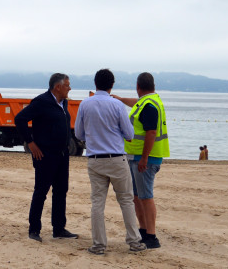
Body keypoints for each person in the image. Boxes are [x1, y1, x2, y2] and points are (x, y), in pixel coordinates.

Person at [74, 68, 146, 254]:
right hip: (116, 159)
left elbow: (78, 133)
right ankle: (134, 241)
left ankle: (99, 244)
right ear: (112, 85)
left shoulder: (85, 104)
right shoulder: (117, 105)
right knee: (126, 200)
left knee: (98, 203)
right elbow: (129, 133)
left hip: (95, 159)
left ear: (95, 83)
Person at [14, 73, 78, 243]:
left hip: (63, 155)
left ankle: (59, 229)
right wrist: (31, 143)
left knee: (61, 191)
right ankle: (34, 229)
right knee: (41, 192)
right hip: (45, 155)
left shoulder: (63, 103)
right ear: (58, 87)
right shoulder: (41, 101)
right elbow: (19, 119)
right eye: (67, 85)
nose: (69, 88)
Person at [114, 72, 170, 250]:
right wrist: (121, 99)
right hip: (137, 157)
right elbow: (135, 103)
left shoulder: (149, 105)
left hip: (145, 158)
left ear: (138, 87)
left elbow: (151, 133)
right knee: (137, 196)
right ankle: (144, 231)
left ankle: (152, 236)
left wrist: (144, 158)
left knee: (145, 197)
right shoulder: (149, 101)